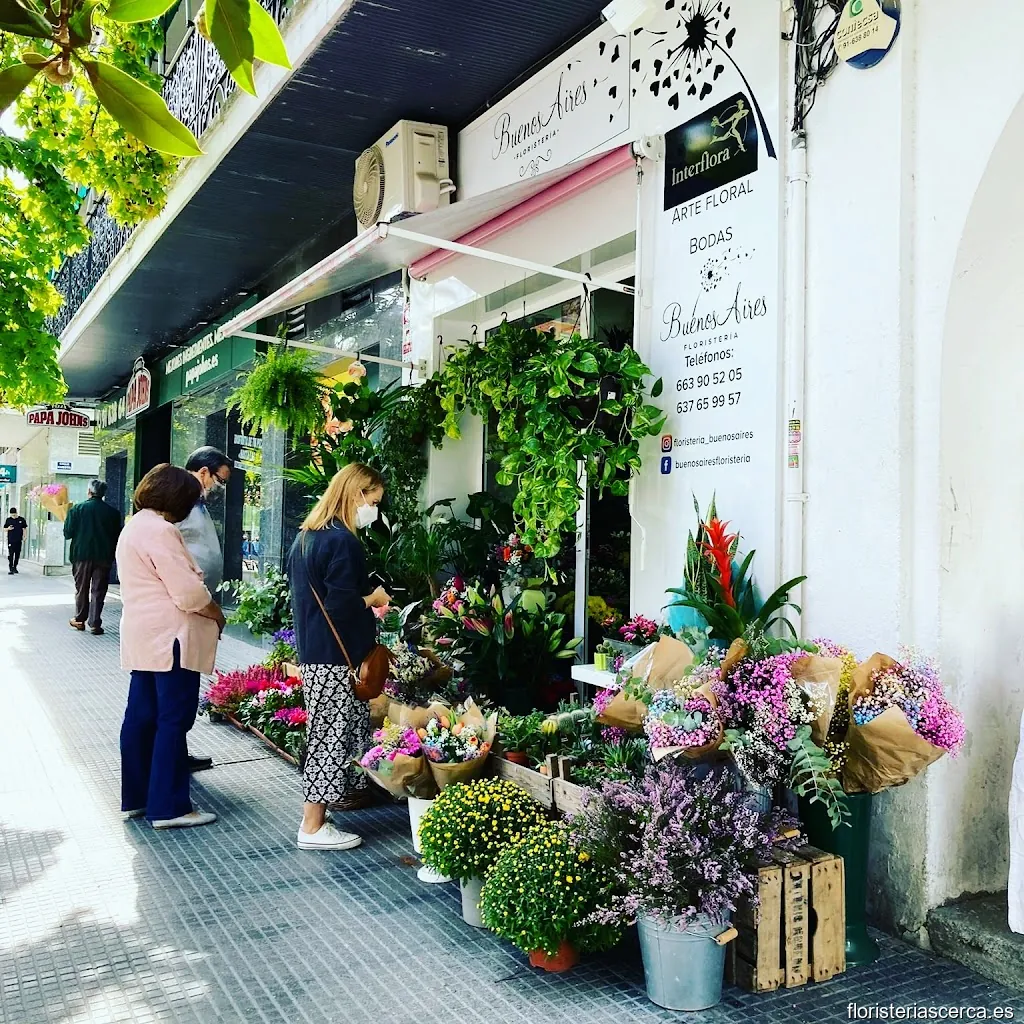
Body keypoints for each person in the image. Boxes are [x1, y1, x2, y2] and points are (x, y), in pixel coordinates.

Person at [117, 464, 225, 830]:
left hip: (143, 636)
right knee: (172, 720)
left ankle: (138, 798)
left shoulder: (133, 527)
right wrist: (216, 612)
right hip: (172, 638)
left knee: (141, 716)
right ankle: (169, 807)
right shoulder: (162, 531)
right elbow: (189, 592)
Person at [288, 463, 390, 851]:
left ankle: (319, 818)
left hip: (316, 653)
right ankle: (312, 826)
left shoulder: (307, 537)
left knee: (327, 733)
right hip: (335, 660)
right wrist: (375, 598)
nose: (374, 511)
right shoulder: (343, 541)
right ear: (356, 494)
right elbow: (341, 604)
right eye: (373, 501)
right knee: (329, 737)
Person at [179, 446, 232, 773]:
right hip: (188, 608)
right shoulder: (180, 502)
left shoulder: (194, 503)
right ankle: (173, 753)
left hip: (198, 606)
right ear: (203, 473)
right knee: (179, 687)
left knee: (186, 684)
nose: (218, 488)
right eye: (219, 480)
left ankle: (178, 748)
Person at [65, 480, 122, 635]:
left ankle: (79, 619)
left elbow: (68, 533)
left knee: (81, 588)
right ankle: (95, 623)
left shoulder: (77, 509)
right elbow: (117, 536)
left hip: (81, 555)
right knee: (99, 589)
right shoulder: (113, 513)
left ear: (89, 491)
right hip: (104, 555)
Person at [3, 507, 27, 575]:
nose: (13, 516)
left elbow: (24, 528)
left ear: (16, 513)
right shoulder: (8, 520)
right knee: (11, 554)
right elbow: (4, 529)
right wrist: (8, 528)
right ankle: (11, 568)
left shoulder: (21, 519)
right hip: (11, 540)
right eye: (12, 515)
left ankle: (15, 567)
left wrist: (25, 536)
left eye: (14, 515)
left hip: (19, 540)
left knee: (17, 554)